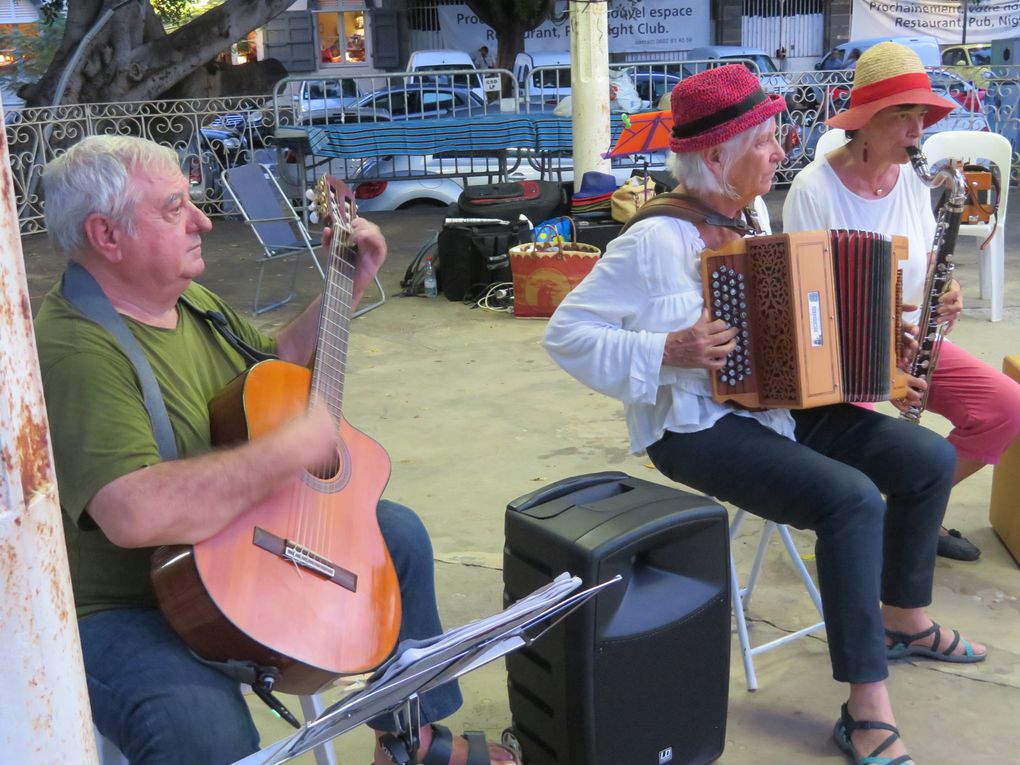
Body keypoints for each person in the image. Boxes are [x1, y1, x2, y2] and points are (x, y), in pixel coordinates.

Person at [544, 65, 986, 765]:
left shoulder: (749, 216)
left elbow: (805, 320)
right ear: (717, 157)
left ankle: (903, 617)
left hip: (775, 401)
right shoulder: (652, 240)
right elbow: (565, 334)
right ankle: (866, 706)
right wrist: (668, 349)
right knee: (851, 500)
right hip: (695, 428)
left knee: (927, 458)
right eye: (768, 141)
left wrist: (879, 340)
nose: (782, 152)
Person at [34, 135, 518, 765]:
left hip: (234, 541)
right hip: (128, 602)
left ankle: (412, 736)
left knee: (395, 536)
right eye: (175, 207)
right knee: (201, 732)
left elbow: (267, 369)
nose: (203, 221)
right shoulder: (77, 348)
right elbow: (133, 513)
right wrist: (288, 451)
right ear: (107, 235)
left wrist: (348, 281)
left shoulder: (186, 302)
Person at [784, 41, 1020, 561]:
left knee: (1007, 408)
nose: (918, 132)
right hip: (840, 359)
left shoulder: (917, 182)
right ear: (864, 120)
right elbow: (807, 308)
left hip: (911, 341)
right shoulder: (814, 189)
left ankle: (911, 511)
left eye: (922, 116)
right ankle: (869, 528)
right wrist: (882, 366)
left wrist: (948, 290)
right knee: (867, 438)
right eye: (903, 116)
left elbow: (925, 269)